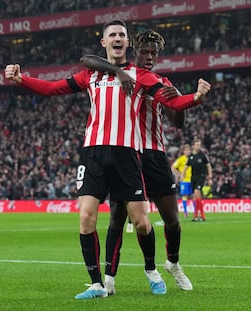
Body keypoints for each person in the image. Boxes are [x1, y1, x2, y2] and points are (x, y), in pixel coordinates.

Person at [5, 19, 211, 299]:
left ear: (128, 43)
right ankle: (98, 283)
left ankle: (152, 269)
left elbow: (172, 105)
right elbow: (53, 88)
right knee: (87, 216)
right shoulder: (91, 74)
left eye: (121, 35)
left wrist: (196, 97)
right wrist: (22, 79)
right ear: (104, 42)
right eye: (112, 35)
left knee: (141, 221)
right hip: (92, 152)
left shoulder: (142, 76)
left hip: (128, 153)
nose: (117, 38)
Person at [81, 29, 195, 294]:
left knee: (172, 219)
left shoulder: (159, 82)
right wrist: (119, 71)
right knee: (117, 219)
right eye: (144, 52)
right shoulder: (122, 73)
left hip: (154, 154)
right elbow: (87, 59)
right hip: (127, 152)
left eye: (154, 54)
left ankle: (173, 264)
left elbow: (178, 120)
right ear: (134, 51)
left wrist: (177, 98)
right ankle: (108, 279)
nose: (149, 57)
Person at [182, 138, 212, 221]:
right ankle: (201, 216)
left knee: (196, 193)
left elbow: (208, 166)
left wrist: (210, 177)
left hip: (201, 177)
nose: (199, 146)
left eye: (199, 145)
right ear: (193, 146)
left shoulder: (203, 155)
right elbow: (186, 166)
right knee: (196, 197)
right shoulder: (191, 156)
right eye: (197, 145)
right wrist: (182, 175)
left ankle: (196, 215)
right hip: (193, 177)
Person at [172, 144, 192, 218]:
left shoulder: (192, 158)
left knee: (193, 196)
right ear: (183, 151)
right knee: (184, 196)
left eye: (189, 150)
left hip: (192, 180)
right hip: (184, 181)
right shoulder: (181, 159)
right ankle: (185, 212)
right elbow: (173, 168)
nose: (188, 152)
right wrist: (180, 174)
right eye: (186, 150)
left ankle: (195, 212)